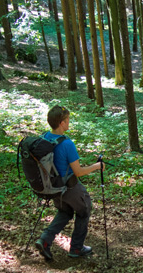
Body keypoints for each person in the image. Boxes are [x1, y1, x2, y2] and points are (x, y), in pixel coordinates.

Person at [35, 105, 104, 260]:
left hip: (52, 187)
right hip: (70, 187)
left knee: (65, 212)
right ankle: (77, 249)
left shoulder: (44, 137)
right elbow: (78, 172)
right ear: (61, 123)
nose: (68, 123)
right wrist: (97, 166)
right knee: (84, 209)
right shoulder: (67, 144)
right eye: (67, 120)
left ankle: (44, 240)